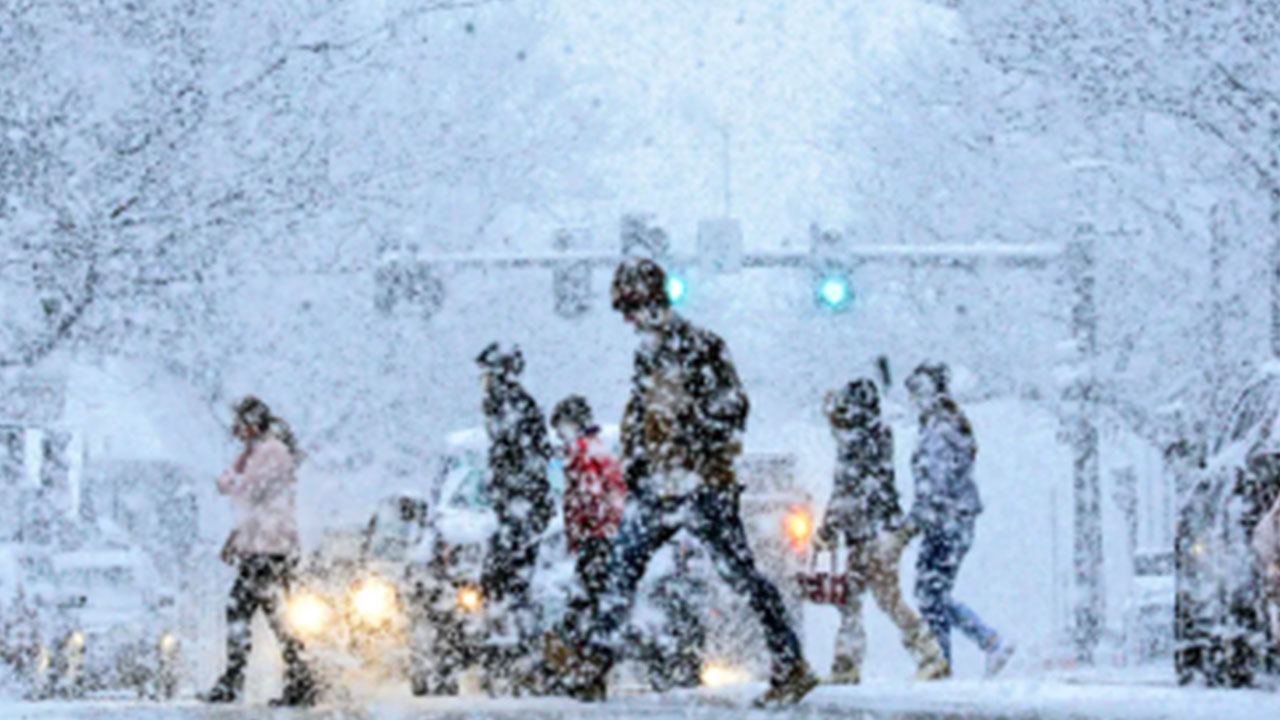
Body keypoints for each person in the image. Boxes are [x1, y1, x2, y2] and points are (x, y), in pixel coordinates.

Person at [555, 258, 817, 707]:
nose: (628, 320)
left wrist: (691, 441)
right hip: (659, 487)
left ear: (652, 302)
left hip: (699, 485)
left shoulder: (701, 346)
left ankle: (791, 663)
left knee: (739, 575)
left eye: (631, 308)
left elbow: (733, 409)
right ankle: (594, 665)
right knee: (622, 570)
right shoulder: (650, 353)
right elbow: (643, 417)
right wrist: (639, 466)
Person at [815, 378, 949, 684]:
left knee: (882, 596)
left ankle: (929, 655)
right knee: (853, 595)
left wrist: (828, 527)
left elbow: (846, 491)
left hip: (872, 532)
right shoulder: (874, 434)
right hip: (878, 529)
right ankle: (847, 662)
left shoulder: (856, 441)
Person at [201, 396, 317, 706]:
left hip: (270, 547)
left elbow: (244, 489)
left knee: (248, 612)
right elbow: (249, 502)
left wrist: (235, 472)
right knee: (272, 615)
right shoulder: (259, 452)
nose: (236, 432)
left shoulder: (272, 452)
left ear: (252, 424)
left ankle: (238, 681)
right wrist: (235, 540)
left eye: (240, 425)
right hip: (262, 547)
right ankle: (300, 679)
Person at [904, 362, 1014, 678]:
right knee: (933, 593)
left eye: (916, 394)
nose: (913, 402)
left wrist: (914, 522)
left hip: (945, 522)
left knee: (930, 593)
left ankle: (968, 650)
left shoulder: (938, 429)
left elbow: (935, 484)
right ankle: (968, 649)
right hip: (955, 520)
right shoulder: (948, 423)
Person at [477, 343, 555, 641]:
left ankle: (515, 642)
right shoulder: (512, 403)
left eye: (487, 373)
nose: (483, 381)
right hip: (520, 504)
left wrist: (511, 495)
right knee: (510, 575)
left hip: (520, 506)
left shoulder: (508, 403)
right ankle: (512, 636)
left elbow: (521, 459)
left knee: (508, 577)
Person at [551, 395, 627, 636]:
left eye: (560, 428)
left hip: (597, 536)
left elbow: (590, 495)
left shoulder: (580, 451)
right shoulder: (598, 447)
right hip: (611, 533)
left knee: (584, 597)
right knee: (598, 595)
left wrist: (583, 530)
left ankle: (581, 648)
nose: (559, 435)